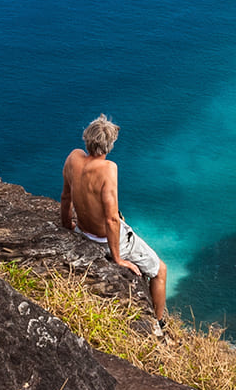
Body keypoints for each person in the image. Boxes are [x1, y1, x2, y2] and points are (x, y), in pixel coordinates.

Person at [60, 114, 168, 327]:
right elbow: (110, 219)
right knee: (160, 270)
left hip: (82, 231)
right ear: (109, 145)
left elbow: (65, 197)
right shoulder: (108, 168)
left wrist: (67, 226)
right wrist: (118, 258)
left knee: (121, 219)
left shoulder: (73, 157)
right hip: (107, 241)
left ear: (86, 138)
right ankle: (158, 323)